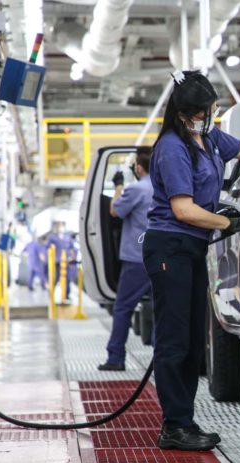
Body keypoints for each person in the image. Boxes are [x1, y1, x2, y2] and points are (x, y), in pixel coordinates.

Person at [143, 69, 240, 451]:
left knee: (190, 340)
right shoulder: (173, 147)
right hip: (170, 248)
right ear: (188, 112)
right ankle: (175, 426)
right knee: (175, 342)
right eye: (209, 109)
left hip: (189, 249)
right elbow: (184, 210)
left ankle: (182, 421)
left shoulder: (206, 136)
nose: (214, 113)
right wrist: (229, 221)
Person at [99, 147, 155, 372]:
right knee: (162, 307)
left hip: (136, 259)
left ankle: (116, 357)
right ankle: (161, 358)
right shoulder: (167, 187)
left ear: (139, 168)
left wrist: (118, 186)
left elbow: (115, 211)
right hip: (162, 257)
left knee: (123, 308)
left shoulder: (136, 189)